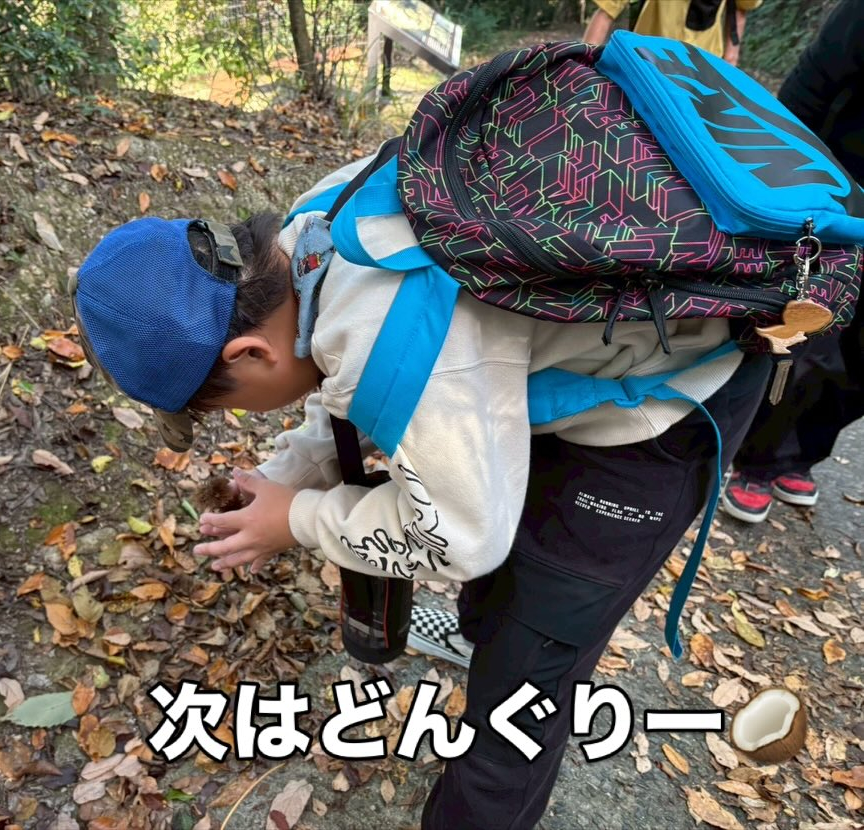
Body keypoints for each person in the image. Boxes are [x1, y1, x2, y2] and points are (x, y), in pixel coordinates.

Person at [70, 155, 771, 825]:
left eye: (226, 403)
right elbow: (356, 367)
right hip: (547, 371)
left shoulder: (396, 330)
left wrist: (303, 520)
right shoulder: (311, 231)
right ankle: (486, 634)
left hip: (662, 409)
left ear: (248, 353)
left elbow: (462, 535)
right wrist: (291, 473)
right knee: (504, 551)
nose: (243, 415)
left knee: (524, 692)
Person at [721, 0, 864, 524]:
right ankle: (756, 459)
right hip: (839, 200)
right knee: (808, 334)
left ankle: (803, 453)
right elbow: (812, 84)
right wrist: (785, 183)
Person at [583, 0, 762, 65]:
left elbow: (739, 9)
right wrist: (583, 65)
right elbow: (606, 11)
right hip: (646, 60)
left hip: (701, 67)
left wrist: (730, 61)